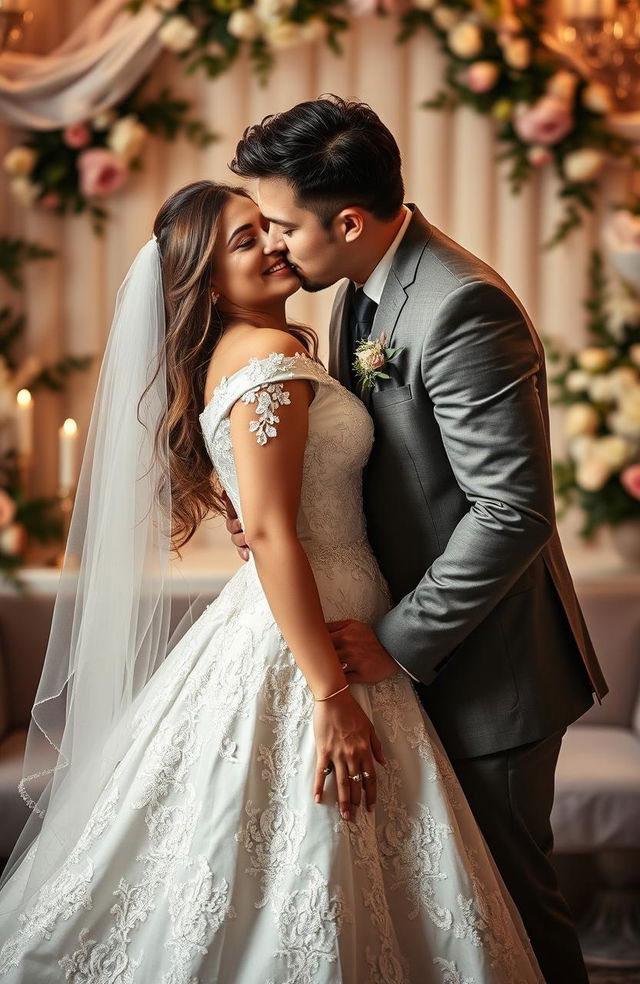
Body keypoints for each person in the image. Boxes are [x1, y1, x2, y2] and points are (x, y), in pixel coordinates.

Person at [0, 179, 544, 982]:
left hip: (332, 610)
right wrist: (328, 697)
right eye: (245, 242)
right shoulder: (267, 358)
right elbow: (271, 531)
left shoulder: (270, 346)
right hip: (318, 635)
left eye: (269, 228)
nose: (274, 247)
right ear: (207, 282)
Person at [225, 95, 610, 984]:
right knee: (444, 924)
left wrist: (397, 643)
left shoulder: (460, 306)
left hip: (488, 674)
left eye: (282, 225)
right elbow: (387, 460)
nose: (273, 244)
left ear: (350, 220)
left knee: (512, 915)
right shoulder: (359, 289)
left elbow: (512, 511)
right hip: (405, 660)